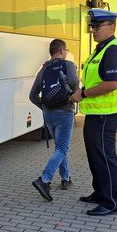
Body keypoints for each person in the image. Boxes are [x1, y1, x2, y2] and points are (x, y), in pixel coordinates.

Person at [69, 8, 117, 216]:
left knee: (104, 155)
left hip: (106, 113)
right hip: (96, 113)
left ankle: (111, 201)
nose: (93, 30)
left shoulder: (113, 50)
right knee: (95, 155)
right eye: (92, 26)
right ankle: (100, 192)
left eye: (97, 26)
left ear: (112, 27)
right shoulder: (100, 49)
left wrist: (82, 93)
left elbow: (112, 83)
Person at [29, 39, 79, 201]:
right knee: (63, 148)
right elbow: (74, 83)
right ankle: (44, 179)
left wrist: (44, 106)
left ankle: (65, 178)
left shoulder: (44, 69)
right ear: (62, 50)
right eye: (66, 50)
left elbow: (32, 95)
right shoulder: (68, 65)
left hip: (48, 114)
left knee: (59, 147)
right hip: (64, 112)